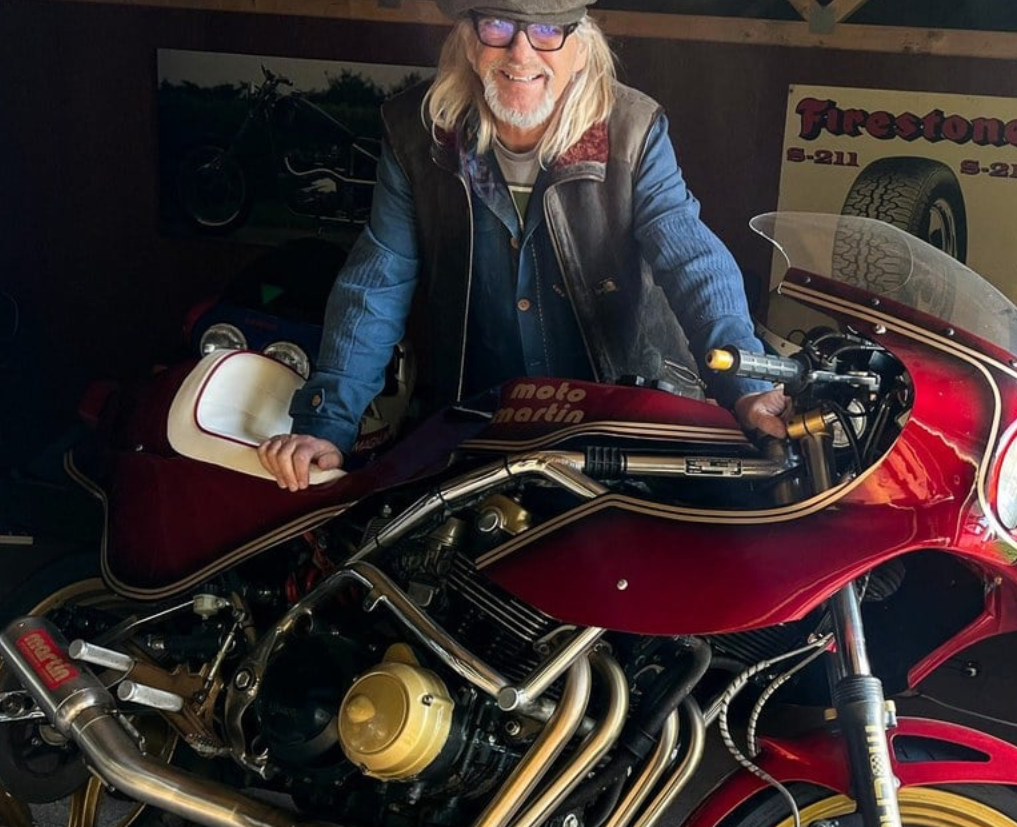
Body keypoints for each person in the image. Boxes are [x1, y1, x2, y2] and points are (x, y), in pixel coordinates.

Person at [258, 0, 788, 491]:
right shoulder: (417, 132)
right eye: (497, 25)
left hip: (622, 419)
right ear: (468, 40)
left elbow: (691, 258)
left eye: (546, 30)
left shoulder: (633, 129)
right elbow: (378, 281)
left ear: (581, 46)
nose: (520, 52)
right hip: (481, 423)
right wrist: (327, 425)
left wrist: (743, 381)